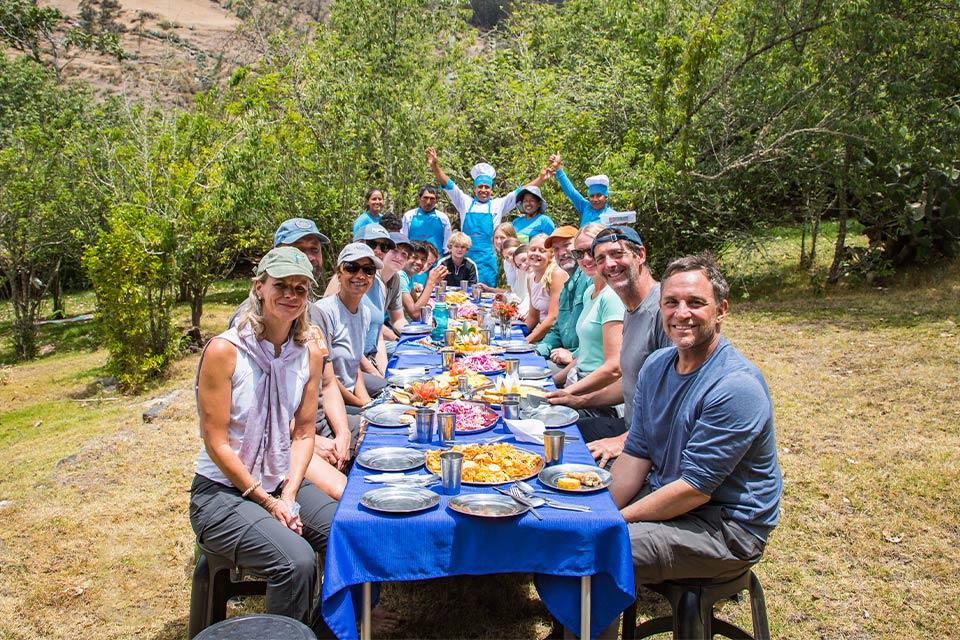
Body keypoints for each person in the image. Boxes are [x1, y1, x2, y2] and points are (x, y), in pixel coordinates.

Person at [609, 253, 782, 588]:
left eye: (696, 303)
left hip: (726, 527)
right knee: (575, 513)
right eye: (671, 302)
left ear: (721, 310)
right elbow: (636, 455)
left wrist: (614, 521)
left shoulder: (735, 386)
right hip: (668, 494)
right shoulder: (657, 365)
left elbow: (695, 490)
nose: (681, 313)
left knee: (601, 548)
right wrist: (598, 512)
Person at [191, 246, 335, 634]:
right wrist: (269, 501)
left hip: (277, 480)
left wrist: (288, 495)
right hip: (221, 493)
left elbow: (305, 432)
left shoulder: (309, 352)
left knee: (348, 530)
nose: (290, 295)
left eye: (300, 289)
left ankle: (324, 627)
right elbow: (216, 442)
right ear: (259, 287)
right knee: (297, 562)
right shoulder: (225, 351)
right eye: (281, 286)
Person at [228, 219, 353, 480]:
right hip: (283, 440)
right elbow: (259, 407)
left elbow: (328, 384)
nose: (309, 257)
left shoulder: (313, 313)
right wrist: (311, 441)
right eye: (299, 249)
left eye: (314, 249)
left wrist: (343, 433)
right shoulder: (251, 320)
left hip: (319, 424)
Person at [547, 225, 671, 458]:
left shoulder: (665, 310)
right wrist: (576, 399)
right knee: (547, 437)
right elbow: (630, 385)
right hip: (631, 427)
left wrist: (624, 441)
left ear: (640, 255)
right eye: (601, 258)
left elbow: (675, 402)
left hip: (650, 444)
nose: (609, 264)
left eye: (617, 254)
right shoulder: (630, 308)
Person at [426, 148, 550, 287]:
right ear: (474, 189)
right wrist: (434, 165)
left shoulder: (498, 204)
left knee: (486, 296)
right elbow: (448, 184)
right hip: (464, 259)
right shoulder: (464, 202)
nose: (483, 190)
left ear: (491, 190)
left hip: (488, 263)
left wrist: (540, 179)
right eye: (480, 187)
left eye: (487, 187)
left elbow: (521, 192)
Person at [549, 225, 625, 417]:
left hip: (601, 400)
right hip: (578, 383)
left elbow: (614, 368)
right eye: (579, 253)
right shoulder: (589, 293)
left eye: (591, 251)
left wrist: (569, 393)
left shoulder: (612, 297)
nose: (586, 259)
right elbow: (585, 355)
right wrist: (553, 380)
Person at [314, 244, 380, 425]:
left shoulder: (364, 312)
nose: (360, 276)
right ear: (339, 273)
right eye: (352, 268)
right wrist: (364, 406)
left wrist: (366, 401)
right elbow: (326, 379)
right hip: (330, 400)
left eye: (368, 270)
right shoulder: (324, 312)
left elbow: (354, 365)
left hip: (350, 394)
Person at [534, 226, 591, 370]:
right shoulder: (566, 287)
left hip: (582, 363)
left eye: (566, 245)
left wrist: (573, 356)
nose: (562, 253)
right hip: (561, 357)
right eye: (556, 249)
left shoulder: (591, 279)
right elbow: (558, 330)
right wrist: (538, 350)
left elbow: (599, 339)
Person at [549, 153, 617, 226]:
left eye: (599, 195)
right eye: (592, 196)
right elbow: (571, 192)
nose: (595, 199)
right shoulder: (585, 207)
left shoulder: (614, 216)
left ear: (606, 196)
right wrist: (558, 168)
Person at [524, 233, 569, 343]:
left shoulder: (556, 275)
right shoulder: (530, 278)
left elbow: (553, 317)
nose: (536, 253)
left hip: (557, 337)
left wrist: (526, 341)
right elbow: (533, 317)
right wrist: (517, 334)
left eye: (542, 251)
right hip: (542, 334)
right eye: (533, 249)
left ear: (551, 255)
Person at [401, 184, 452, 254]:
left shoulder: (443, 218)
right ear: (419, 198)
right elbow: (403, 240)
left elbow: (447, 244)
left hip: (436, 261)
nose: (428, 202)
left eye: (432, 199)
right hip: (414, 259)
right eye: (425, 198)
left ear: (437, 200)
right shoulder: (409, 216)